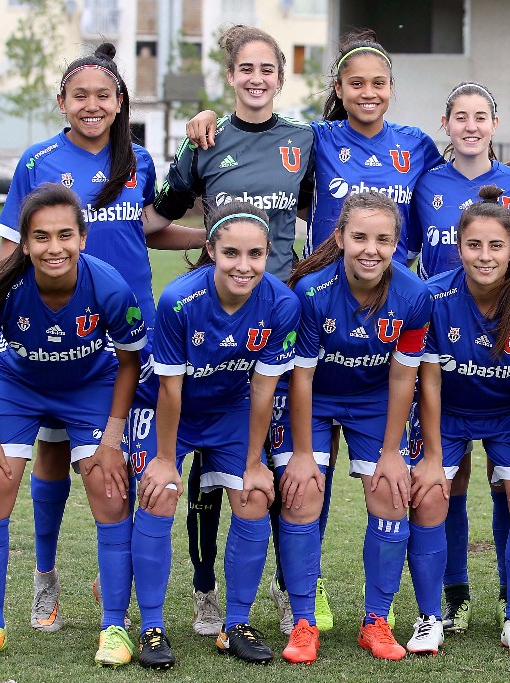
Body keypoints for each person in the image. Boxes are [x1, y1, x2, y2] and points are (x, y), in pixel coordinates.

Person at [186, 32, 510, 632]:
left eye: (379, 83)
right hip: (315, 310)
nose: (369, 92)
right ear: (338, 90)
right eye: (357, 82)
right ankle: (303, 592)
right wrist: (208, 119)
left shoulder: (417, 147)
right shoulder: (315, 139)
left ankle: (434, 606)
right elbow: (256, 128)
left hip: (396, 319)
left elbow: (466, 170)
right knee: (301, 476)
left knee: (409, 480)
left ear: (392, 90)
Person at [0, 44, 203, 653]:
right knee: (53, 456)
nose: (91, 105)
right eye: (79, 95)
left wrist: (213, 235)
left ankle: (117, 588)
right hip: (56, 333)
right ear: (61, 102)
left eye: (103, 96)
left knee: (121, 462)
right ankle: (45, 576)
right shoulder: (38, 160)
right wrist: (1, 314)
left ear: (119, 103)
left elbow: (150, 230)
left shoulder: (136, 159)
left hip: (125, 334)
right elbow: (12, 247)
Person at [150, 23, 315, 641]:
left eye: (267, 69)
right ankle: (205, 591)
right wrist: (222, 240)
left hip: (277, 318)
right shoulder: (205, 141)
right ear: (231, 76)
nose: (256, 78)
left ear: (280, 75)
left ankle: (277, 584)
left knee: (265, 465)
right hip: (212, 318)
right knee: (209, 472)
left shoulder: (305, 139)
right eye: (245, 68)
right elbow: (150, 224)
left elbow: (345, 197)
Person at [0, 184, 145, 665]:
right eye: (41, 237)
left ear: (83, 238)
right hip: (20, 386)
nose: (53, 247)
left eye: (65, 235)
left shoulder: (109, 287)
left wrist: (112, 437)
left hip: (89, 386)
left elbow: (128, 361)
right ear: (24, 243)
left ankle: (115, 626)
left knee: (110, 488)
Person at [270, 191, 430, 662]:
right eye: (359, 236)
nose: (370, 249)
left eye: (383, 239)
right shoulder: (312, 292)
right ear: (339, 237)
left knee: (389, 492)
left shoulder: (414, 296)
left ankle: (376, 620)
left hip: (373, 399)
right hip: (313, 398)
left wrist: (391, 452)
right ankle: (303, 622)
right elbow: (302, 376)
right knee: (302, 494)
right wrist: (302, 454)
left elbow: (404, 375)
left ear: (397, 243)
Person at [406, 83, 510, 635]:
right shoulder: (425, 181)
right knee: (446, 484)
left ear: (495, 121)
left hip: (503, 351)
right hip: (448, 335)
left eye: (480, 116)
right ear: (445, 121)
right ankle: (452, 595)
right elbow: (404, 249)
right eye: (459, 116)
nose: (470, 125)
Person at [143, 201, 300, 665]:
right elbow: (169, 391)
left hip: (230, 409)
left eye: (255, 254)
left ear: (268, 252)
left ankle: (235, 623)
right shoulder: (178, 300)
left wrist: (254, 463)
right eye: (231, 253)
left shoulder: (281, 303)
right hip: (173, 409)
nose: (243, 265)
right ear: (210, 249)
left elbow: (262, 390)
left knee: (253, 496)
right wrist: (166, 460)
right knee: (161, 492)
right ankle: (152, 626)